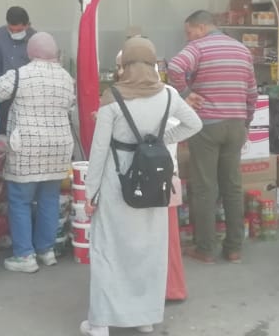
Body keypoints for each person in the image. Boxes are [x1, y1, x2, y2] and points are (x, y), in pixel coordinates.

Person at [82, 38, 202, 336]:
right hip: (153, 183)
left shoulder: (113, 98)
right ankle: (145, 318)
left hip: (117, 182)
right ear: (153, 64)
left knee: (109, 251)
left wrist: (90, 193)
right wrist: (160, 141)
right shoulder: (169, 94)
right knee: (149, 251)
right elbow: (194, 124)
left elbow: (99, 150)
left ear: (124, 65)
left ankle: (100, 323)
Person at [167, 10, 257, 264]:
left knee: (205, 188)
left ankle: (205, 249)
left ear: (201, 27)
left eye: (189, 32)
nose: (188, 37)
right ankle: (234, 248)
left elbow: (174, 67)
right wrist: (246, 122)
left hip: (206, 126)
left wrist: (186, 94)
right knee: (232, 187)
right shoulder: (242, 50)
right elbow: (252, 91)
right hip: (236, 124)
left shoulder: (199, 47)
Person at [0, 32, 75, 273]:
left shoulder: (20, 74)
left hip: (27, 148)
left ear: (30, 52)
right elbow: (70, 105)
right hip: (58, 147)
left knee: (20, 200)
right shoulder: (66, 78)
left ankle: (24, 255)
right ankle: (46, 251)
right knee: (49, 199)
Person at [112, 30, 184, 300]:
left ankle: (146, 292)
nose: (120, 72)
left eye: (122, 66)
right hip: (166, 175)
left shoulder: (123, 97)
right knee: (166, 238)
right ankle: (170, 288)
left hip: (137, 179)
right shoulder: (169, 94)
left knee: (140, 239)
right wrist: (162, 141)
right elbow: (188, 125)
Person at [0, 6, 36, 134]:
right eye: (11, 30)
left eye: (19, 30)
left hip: (25, 94)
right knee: (3, 130)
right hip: (4, 93)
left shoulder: (35, 38)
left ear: (27, 25)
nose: (15, 33)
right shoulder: (1, 33)